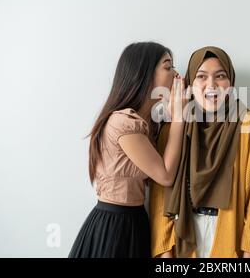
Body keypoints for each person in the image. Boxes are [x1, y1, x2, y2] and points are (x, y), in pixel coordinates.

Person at [149, 46, 250, 258]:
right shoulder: (174, 129)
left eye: (220, 76)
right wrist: (165, 254)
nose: (212, 85)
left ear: (231, 83)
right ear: (190, 84)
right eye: (201, 77)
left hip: (230, 238)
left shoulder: (249, 127)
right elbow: (160, 198)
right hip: (183, 239)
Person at [69, 42, 188, 258]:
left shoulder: (146, 123)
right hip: (115, 227)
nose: (176, 74)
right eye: (168, 66)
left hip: (133, 221)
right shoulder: (123, 122)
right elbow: (165, 175)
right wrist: (179, 117)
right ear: (144, 72)